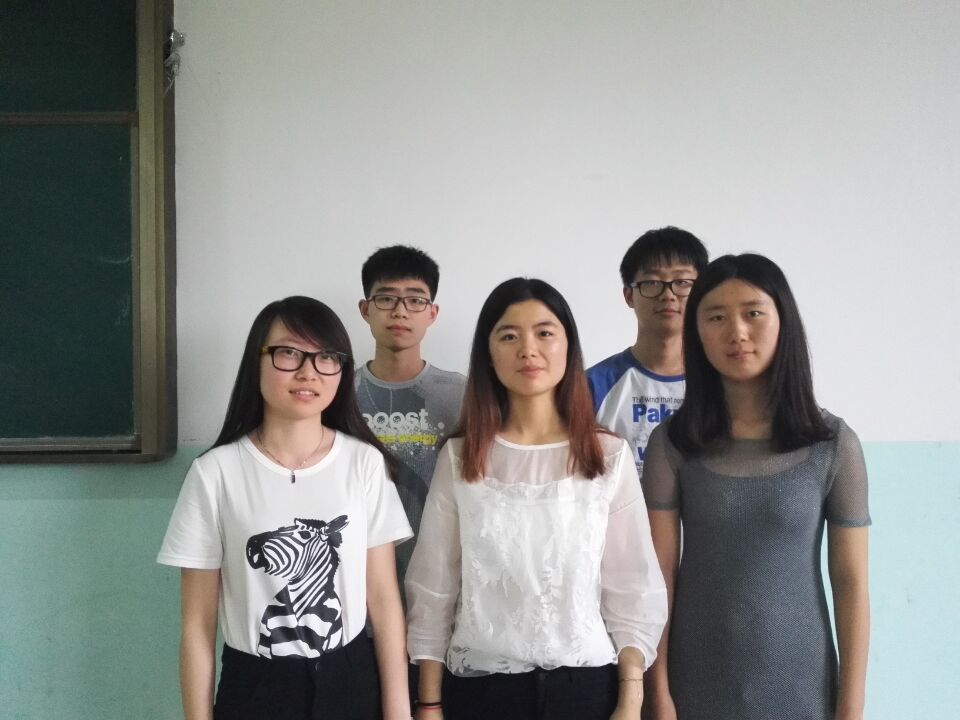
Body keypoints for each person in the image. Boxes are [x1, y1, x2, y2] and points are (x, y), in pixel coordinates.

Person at [405, 278, 668, 720]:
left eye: (544, 333)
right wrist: (428, 703)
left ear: (568, 346)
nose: (528, 349)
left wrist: (631, 698)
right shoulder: (461, 457)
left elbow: (633, 589)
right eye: (509, 336)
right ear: (489, 354)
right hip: (481, 691)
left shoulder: (607, 455)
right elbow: (433, 588)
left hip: (587, 690)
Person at [157, 296, 413, 720]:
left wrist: (399, 712)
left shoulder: (364, 463)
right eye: (289, 353)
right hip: (255, 686)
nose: (308, 371)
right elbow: (197, 627)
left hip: (350, 680)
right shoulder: (215, 473)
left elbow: (384, 601)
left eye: (326, 357)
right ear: (256, 361)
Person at [641, 255, 870, 720]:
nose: (737, 332)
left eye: (753, 313)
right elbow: (657, 580)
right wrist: (657, 692)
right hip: (693, 684)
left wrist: (850, 706)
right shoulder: (673, 443)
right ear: (696, 332)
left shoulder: (833, 444)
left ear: (783, 321)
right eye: (716, 317)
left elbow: (850, 582)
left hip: (803, 688)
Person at [356, 246, 466, 583]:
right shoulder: (337, 392)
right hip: (358, 573)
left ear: (432, 313)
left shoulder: (461, 394)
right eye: (386, 298)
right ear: (365, 309)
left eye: (415, 300)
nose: (400, 311)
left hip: (442, 573)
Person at [587, 227, 708, 476]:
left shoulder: (720, 383)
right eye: (652, 282)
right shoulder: (592, 386)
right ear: (629, 296)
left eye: (682, 282)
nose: (668, 295)